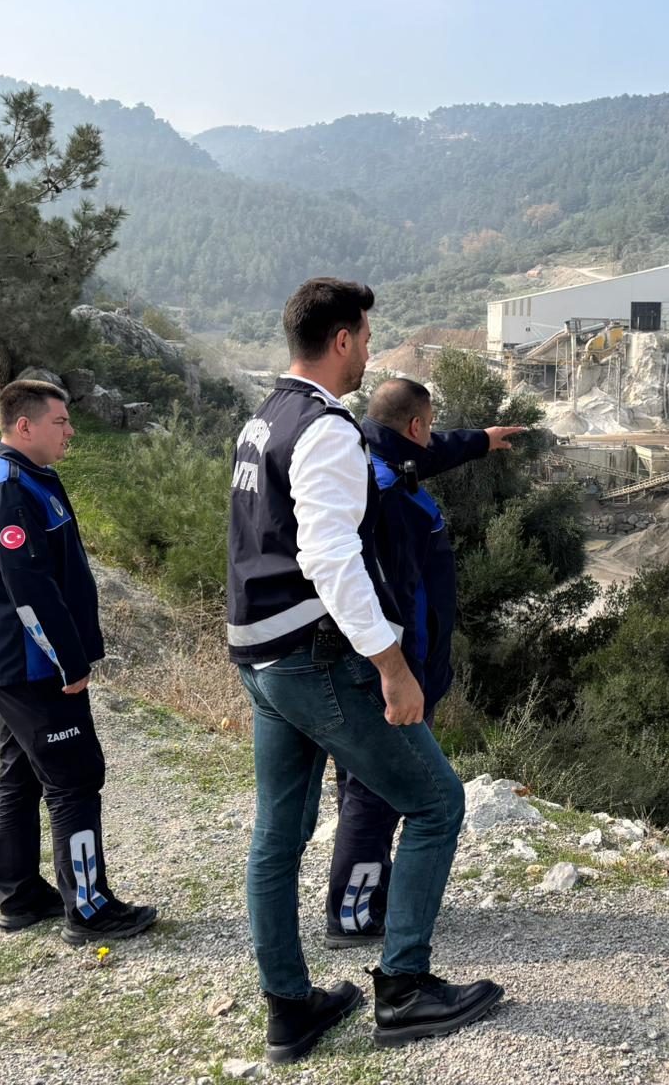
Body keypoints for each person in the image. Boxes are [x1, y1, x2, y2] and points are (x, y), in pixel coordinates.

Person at [228, 278, 503, 1064]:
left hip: (262, 658)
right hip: (316, 662)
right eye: (366, 337)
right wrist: (391, 665)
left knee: (279, 834)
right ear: (342, 338)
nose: (370, 352)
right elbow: (329, 559)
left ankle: (290, 1008)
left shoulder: (264, 419)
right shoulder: (323, 430)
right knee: (437, 802)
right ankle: (407, 990)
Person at [324, 378, 523, 949]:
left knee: (372, 784)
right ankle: (354, 913)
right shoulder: (385, 494)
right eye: (429, 424)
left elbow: (425, 456)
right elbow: (392, 599)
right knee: (379, 788)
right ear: (413, 426)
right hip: (400, 674)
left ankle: (371, 892)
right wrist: (404, 678)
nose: (432, 436)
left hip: (402, 669)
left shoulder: (375, 455)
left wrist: (478, 442)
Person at [0, 379, 158, 944]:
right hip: (33, 665)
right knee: (74, 779)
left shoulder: (26, 478)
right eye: (61, 421)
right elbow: (30, 590)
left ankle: (21, 897)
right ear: (25, 426)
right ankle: (90, 909)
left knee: (21, 775)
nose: (71, 430)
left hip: (16, 664)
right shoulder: (8, 489)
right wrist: (69, 662)